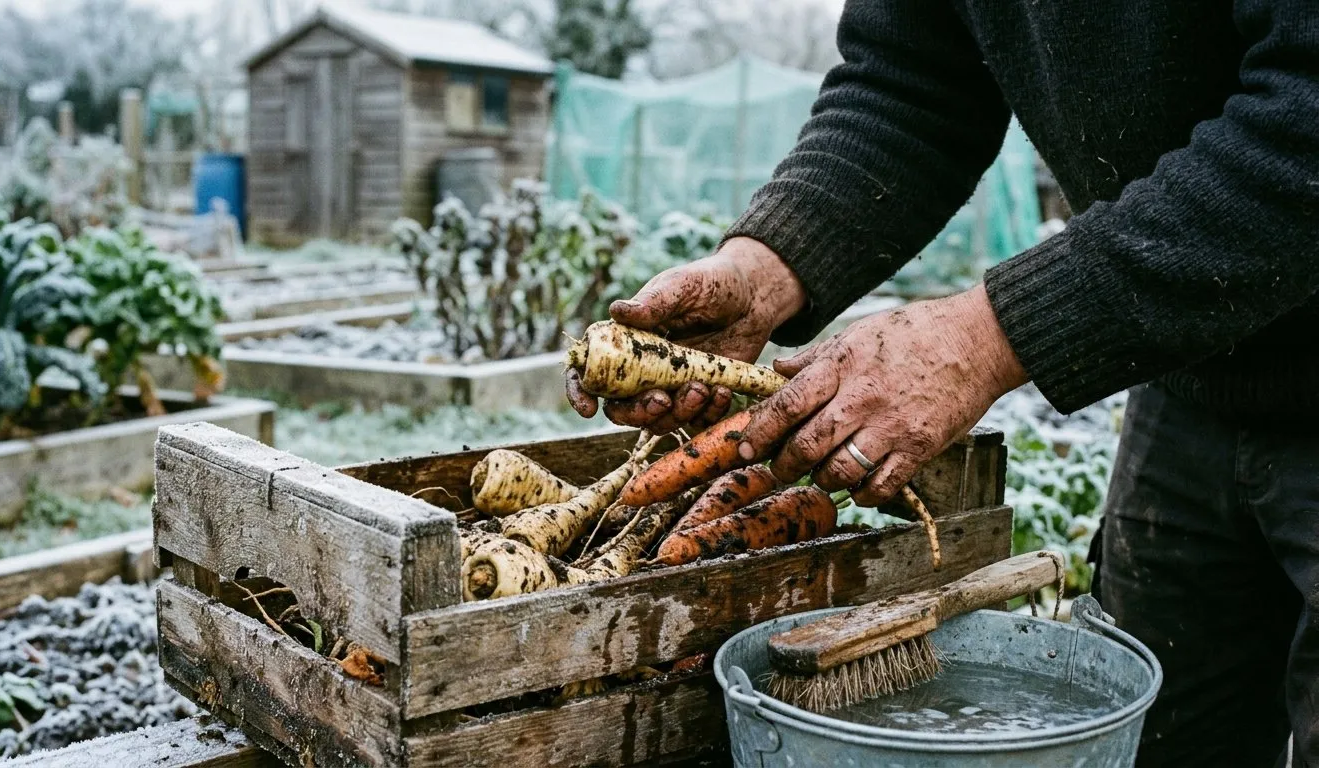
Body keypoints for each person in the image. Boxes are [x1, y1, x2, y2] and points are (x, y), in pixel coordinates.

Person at [565, 1, 1319, 765]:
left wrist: (984, 337)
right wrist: (764, 268)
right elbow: (912, 83)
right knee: (1163, 738)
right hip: (1194, 374)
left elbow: (1306, 122)